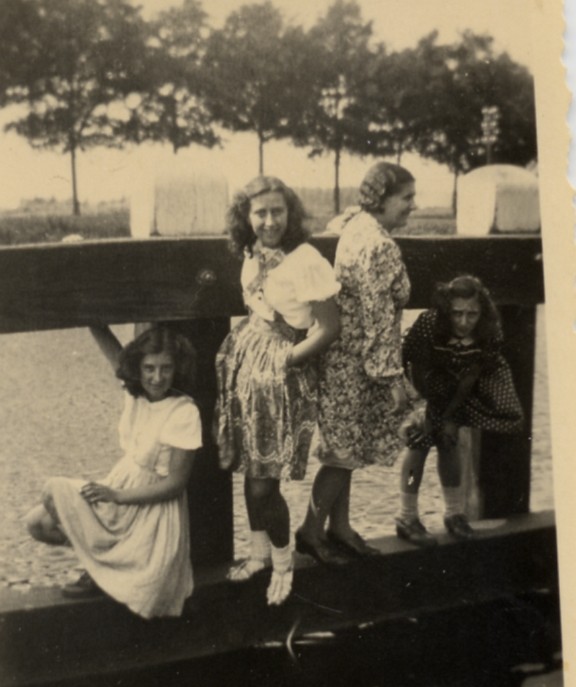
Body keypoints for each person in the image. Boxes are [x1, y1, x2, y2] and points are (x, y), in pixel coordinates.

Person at [214, 175, 341, 605]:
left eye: (278, 211)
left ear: (291, 213)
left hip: (284, 370)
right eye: (260, 212)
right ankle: (258, 555)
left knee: (263, 485)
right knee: (251, 469)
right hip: (249, 363)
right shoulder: (251, 252)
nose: (269, 221)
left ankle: (283, 566)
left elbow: (330, 327)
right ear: (246, 216)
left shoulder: (306, 260)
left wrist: (286, 360)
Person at [24, 324, 202, 618]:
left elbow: (175, 484)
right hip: (119, 487)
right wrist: (91, 317)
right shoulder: (136, 394)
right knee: (38, 523)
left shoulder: (183, 412)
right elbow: (113, 353)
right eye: (149, 368)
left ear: (177, 368)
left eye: (166, 368)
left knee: (54, 489)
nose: (157, 378)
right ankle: (101, 565)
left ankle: (102, 569)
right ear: (138, 368)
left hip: (148, 506)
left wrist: (116, 495)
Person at [296, 162, 416, 564]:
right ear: (381, 199)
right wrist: (391, 378)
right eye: (406, 198)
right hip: (355, 362)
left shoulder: (356, 225)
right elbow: (377, 315)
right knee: (341, 453)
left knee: (343, 450)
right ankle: (311, 531)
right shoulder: (378, 244)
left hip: (342, 358)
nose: (413, 206)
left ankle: (341, 528)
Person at [396, 274, 524, 543]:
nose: (464, 321)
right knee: (419, 443)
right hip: (419, 385)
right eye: (457, 313)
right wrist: (421, 407)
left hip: (455, 388)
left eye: (471, 314)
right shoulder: (430, 323)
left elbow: (471, 375)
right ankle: (406, 516)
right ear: (447, 310)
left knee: (449, 441)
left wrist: (450, 415)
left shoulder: (489, 331)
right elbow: (414, 366)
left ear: (482, 312)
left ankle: (454, 513)